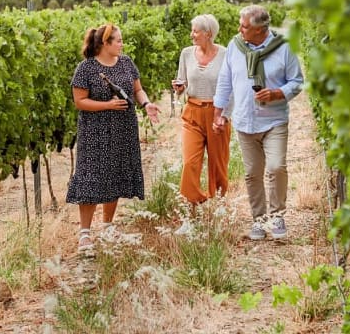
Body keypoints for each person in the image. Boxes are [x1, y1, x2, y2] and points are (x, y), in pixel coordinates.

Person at [66, 22, 160, 254]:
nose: (121, 44)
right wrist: (107, 105)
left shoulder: (126, 62)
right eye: (117, 40)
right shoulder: (86, 68)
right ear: (104, 44)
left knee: (115, 175)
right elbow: (80, 101)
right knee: (91, 177)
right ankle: (85, 234)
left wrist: (146, 104)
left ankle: (108, 226)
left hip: (123, 129)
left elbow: (138, 90)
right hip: (95, 132)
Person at [213, 5, 303, 241]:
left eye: (244, 26)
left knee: (276, 168)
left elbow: (297, 81)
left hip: (274, 120)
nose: (239, 29)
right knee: (253, 174)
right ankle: (259, 220)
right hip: (245, 120)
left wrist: (276, 93)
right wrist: (218, 113)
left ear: (260, 30)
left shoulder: (283, 48)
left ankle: (277, 215)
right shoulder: (235, 46)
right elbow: (225, 81)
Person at [171, 14, 231, 235]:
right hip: (193, 113)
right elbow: (183, 83)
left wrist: (223, 116)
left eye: (195, 31)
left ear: (208, 33)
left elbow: (231, 87)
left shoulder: (225, 54)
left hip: (217, 113)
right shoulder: (186, 54)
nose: (191, 34)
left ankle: (220, 208)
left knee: (218, 163)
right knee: (190, 162)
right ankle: (189, 213)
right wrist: (179, 88)